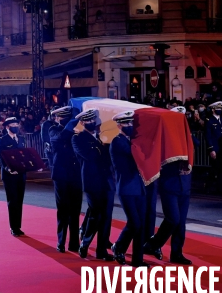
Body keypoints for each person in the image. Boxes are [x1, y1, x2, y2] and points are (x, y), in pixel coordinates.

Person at [144, 107, 193, 265]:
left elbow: (194, 146)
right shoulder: (164, 138)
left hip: (184, 185)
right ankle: (153, 244)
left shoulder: (185, 136)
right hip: (169, 185)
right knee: (173, 218)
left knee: (181, 223)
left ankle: (177, 253)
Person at [71, 109, 115, 261]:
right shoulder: (78, 139)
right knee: (96, 214)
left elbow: (111, 158)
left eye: (93, 120)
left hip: (107, 181)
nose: (91, 123)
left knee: (107, 216)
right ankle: (85, 242)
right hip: (92, 181)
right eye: (88, 121)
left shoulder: (103, 138)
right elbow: (90, 156)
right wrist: (103, 146)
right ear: (82, 123)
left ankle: (102, 250)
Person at [109, 111, 150, 267]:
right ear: (119, 125)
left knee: (140, 225)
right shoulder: (118, 141)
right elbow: (135, 156)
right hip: (126, 187)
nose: (130, 126)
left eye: (131, 123)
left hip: (138, 187)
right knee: (135, 223)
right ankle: (118, 246)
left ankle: (137, 260)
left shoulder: (130, 141)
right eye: (126, 124)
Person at [49, 106, 82, 253]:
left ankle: (74, 243)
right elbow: (61, 138)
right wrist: (72, 123)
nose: (65, 119)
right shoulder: (53, 130)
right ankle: (61, 242)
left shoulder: (76, 131)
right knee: (63, 210)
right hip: (61, 176)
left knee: (75, 211)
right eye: (63, 117)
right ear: (57, 118)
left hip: (75, 175)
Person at [0, 117, 27, 236]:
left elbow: (25, 155)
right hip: (9, 174)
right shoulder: (2, 140)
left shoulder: (21, 139)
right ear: (7, 127)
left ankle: (18, 226)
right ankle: (13, 227)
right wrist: (7, 168)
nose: (16, 126)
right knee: (12, 200)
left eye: (17, 124)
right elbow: (1, 156)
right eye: (13, 124)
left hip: (21, 173)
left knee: (19, 200)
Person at [204, 101, 222, 193]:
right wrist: (211, 149)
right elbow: (208, 136)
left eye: (220, 109)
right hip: (215, 147)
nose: (220, 110)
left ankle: (220, 188)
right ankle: (208, 186)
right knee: (215, 167)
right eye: (218, 109)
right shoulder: (209, 120)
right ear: (213, 109)